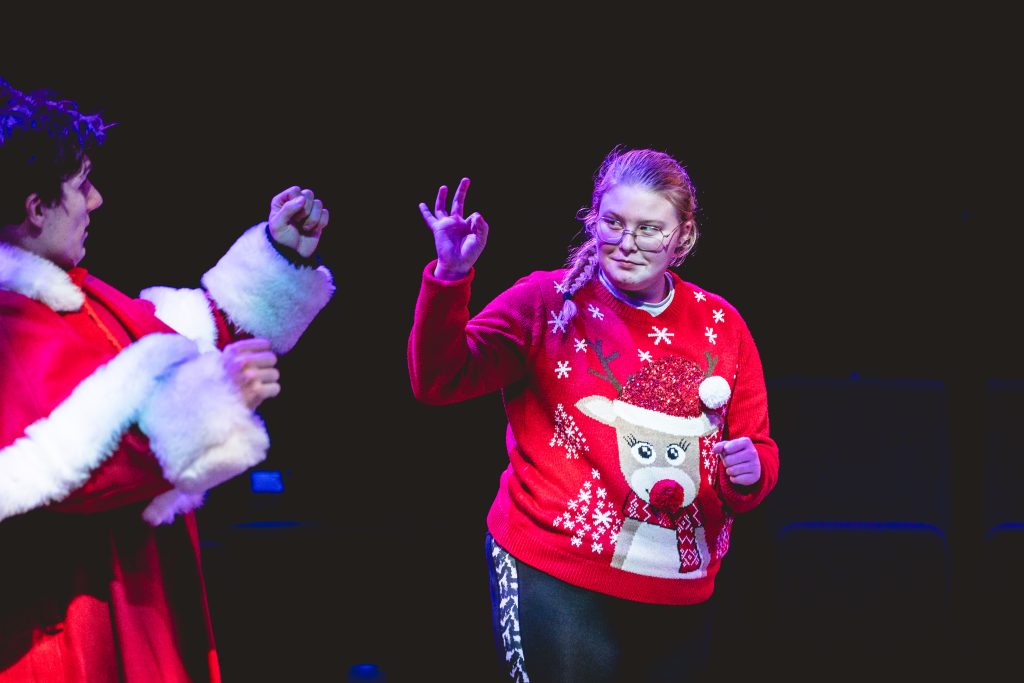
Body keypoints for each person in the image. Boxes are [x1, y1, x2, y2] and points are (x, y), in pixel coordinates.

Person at [0, 77, 334, 681]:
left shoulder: (71, 290)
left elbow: (180, 340)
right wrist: (210, 406)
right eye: (81, 186)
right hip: (72, 621)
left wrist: (279, 257)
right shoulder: (11, 319)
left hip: (129, 585)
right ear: (35, 207)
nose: (96, 201)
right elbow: (57, 469)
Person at [409, 147, 779, 682]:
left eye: (649, 229)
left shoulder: (721, 323)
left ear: (683, 237)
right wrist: (449, 276)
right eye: (613, 223)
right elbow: (439, 380)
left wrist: (752, 473)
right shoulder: (548, 301)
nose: (627, 243)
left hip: (679, 585)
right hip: (557, 573)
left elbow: (756, 452)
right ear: (593, 221)